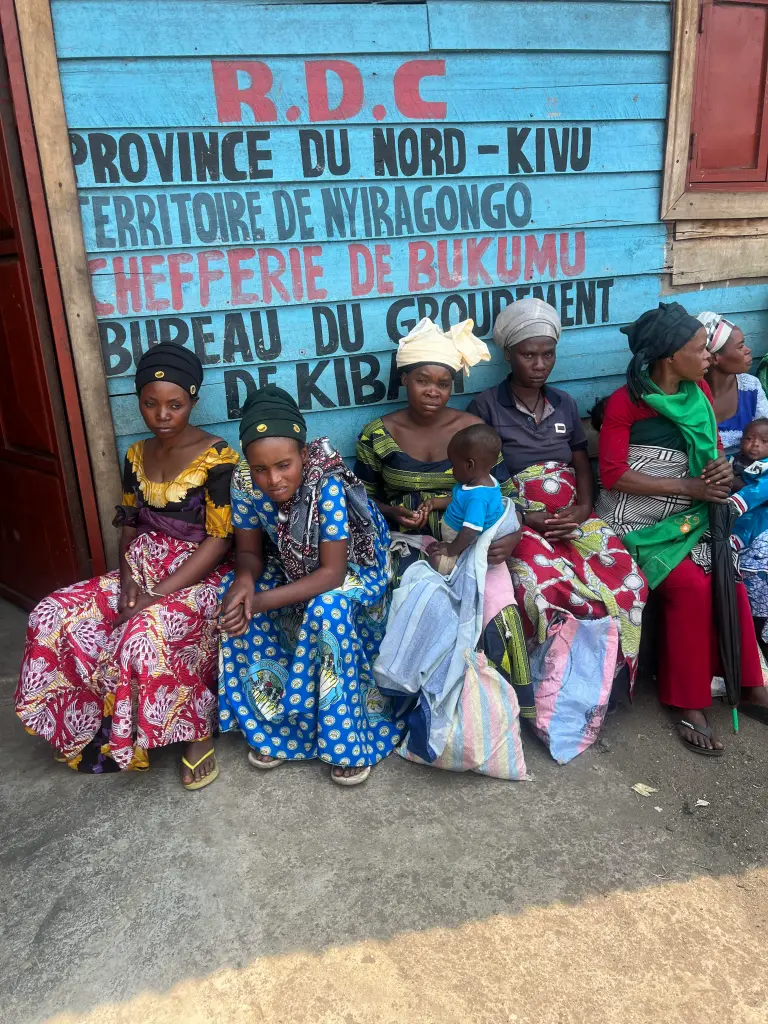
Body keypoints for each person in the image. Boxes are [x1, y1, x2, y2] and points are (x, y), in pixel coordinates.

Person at [16, 344, 239, 788]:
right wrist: (128, 584)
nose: (162, 415)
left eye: (174, 405)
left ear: (192, 401)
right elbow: (129, 524)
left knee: (143, 632)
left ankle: (195, 730)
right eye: (150, 403)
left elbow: (219, 540)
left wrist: (154, 597)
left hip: (201, 574)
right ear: (138, 401)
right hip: (142, 569)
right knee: (53, 611)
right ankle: (86, 723)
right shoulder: (136, 456)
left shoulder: (219, 457)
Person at [597, 302, 768, 755]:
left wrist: (720, 476)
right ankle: (687, 701)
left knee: (727, 580)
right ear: (671, 355)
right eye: (700, 348)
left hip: (689, 516)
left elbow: (710, 453)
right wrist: (687, 484)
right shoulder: (625, 403)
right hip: (636, 519)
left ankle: (747, 682)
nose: (709, 357)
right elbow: (613, 474)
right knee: (691, 587)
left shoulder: (700, 395)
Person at [218, 385, 406, 787]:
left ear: (303, 455)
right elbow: (249, 553)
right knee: (230, 598)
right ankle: (274, 727)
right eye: (261, 469)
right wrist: (245, 585)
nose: (273, 479)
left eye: (284, 465)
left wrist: (259, 601)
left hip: (356, 567)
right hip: (290, 564)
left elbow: (332, 575)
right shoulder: (243, 482)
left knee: (328, 608)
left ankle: (349, 741)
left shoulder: (327, 483)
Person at [354, 317, 533, 718]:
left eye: (443, 383)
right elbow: (361, 499)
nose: (433, 391)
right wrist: (391, 510)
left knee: (496, 605)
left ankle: (505, 709)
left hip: (474, 542)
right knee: (409, 595)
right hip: (406, 539)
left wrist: (513, 535)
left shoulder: (474, 431)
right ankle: (415, 707)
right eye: (423, 380)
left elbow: (506, 495)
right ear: (404, 380)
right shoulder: (377, 434)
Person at [468, 298, 647, 694]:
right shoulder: (485, 406)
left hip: (572, 512)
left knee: (628, 580)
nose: (539, 364)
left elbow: (582, 461)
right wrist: (522, 517)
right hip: (518, 518)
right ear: (508, 355)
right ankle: (553, 688)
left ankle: (605, 681)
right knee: (547, 588)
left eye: (547, 355)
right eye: (528, 355)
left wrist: (583, 507)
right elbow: (483, 475)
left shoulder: (564, 402)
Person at [429, 423, 509, 575]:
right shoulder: (483, 481)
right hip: (459, 540)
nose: (451, 470)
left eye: (453, 465)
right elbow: (461, 502)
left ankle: (459, 567)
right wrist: (435, 503)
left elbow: (469, 532)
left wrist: (450, 549)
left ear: (469, 465)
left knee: (436, 561)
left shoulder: (478, 498)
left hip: (466, 545)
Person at [698, 310, 768, 452]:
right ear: (714, 358)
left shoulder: (750, 387)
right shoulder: (690, 393)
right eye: (740, 346)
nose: (748, 350)